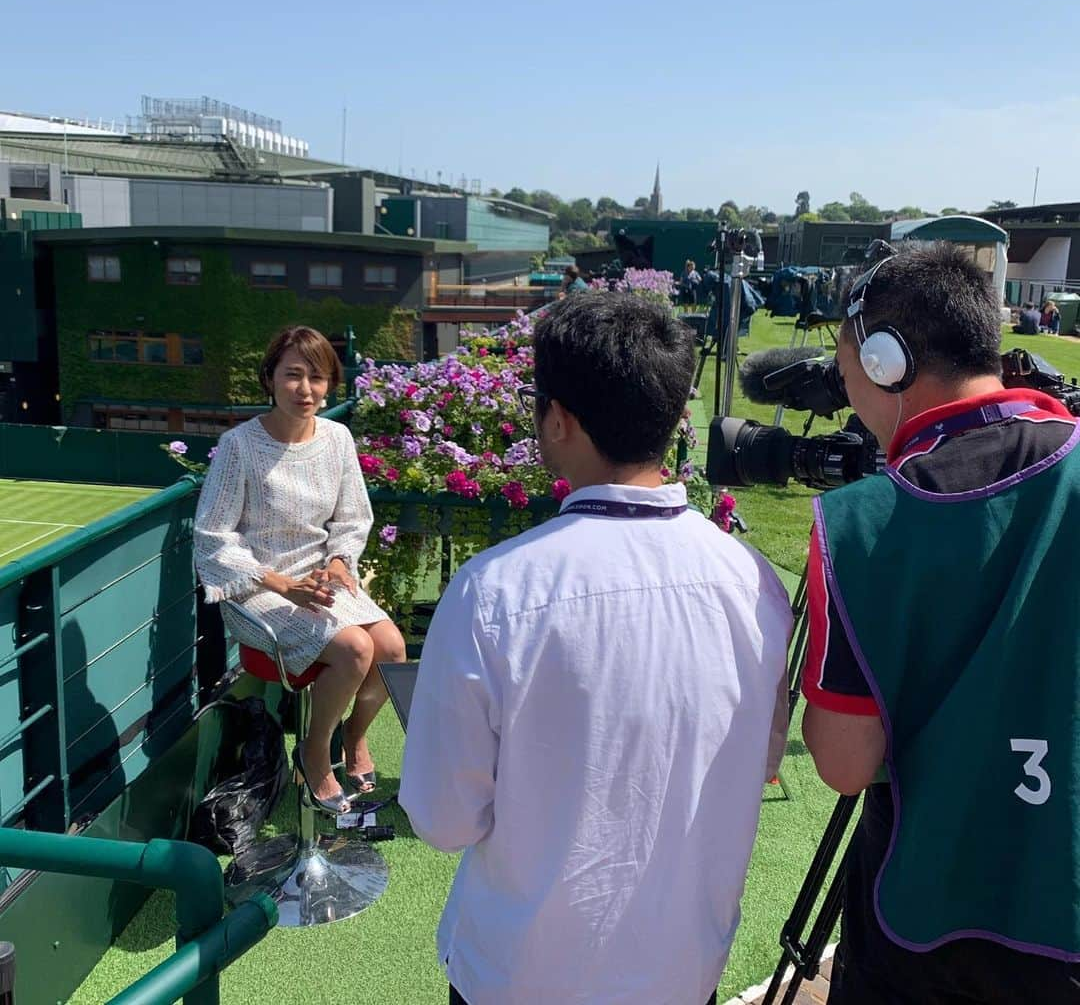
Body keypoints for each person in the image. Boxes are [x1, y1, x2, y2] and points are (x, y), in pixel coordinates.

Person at [400, 292, 792, 1005]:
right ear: (676, 420)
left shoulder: (493, 590)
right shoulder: (754, 581)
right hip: (684, 972)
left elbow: (442, 818)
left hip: (519, 976)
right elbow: (761, 762)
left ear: (558, 419)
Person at [801, 243, 1080, 1003]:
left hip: (919, 928)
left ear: (888, 360)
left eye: (846, 358)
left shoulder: (856, 524)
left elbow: (844, 764)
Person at [194, 325, 406, 813]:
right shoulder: (238, 446)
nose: (306, 389)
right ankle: (314, 751)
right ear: (269, 378)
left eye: (317, 377)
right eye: (292, 375)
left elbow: (353, 517)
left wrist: (336, 562)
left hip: (321, 578)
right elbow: (211, 539)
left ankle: (350, 739)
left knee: (393, 649)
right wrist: (283, 585)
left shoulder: (337, 438)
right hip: (259, 589)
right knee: (356, 649)